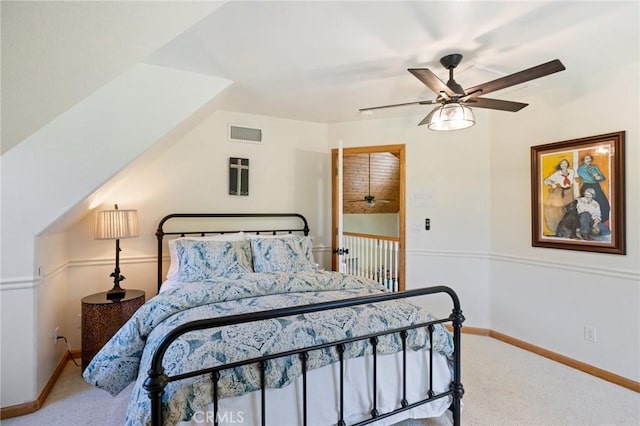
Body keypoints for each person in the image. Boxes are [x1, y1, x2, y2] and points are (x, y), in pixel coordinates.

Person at [543, 159, 576, 235]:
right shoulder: (557, 174)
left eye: (565, 163)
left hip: (568, 192)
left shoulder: (572, 172)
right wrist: (552, 183)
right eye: (562, 164)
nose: (564, 165)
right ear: (560, 166)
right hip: (558, 192)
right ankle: (557, 229)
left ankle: (568, 229)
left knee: (569, 211)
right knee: (557, 211)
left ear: (567, 164)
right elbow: (546, 181)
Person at [577, 154, 610, 224]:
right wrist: (596, 177)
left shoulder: (595, 167)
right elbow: (588, 178)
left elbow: (602, 177)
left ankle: (600, 222)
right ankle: (588, 223)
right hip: (587, 186)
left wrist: (599, 177)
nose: (588, 160)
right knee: (589, 205)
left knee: (604, 204)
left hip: (596, 186)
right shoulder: (581, 169)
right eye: (586, 159)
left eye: (589, 158)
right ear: (583, 160)